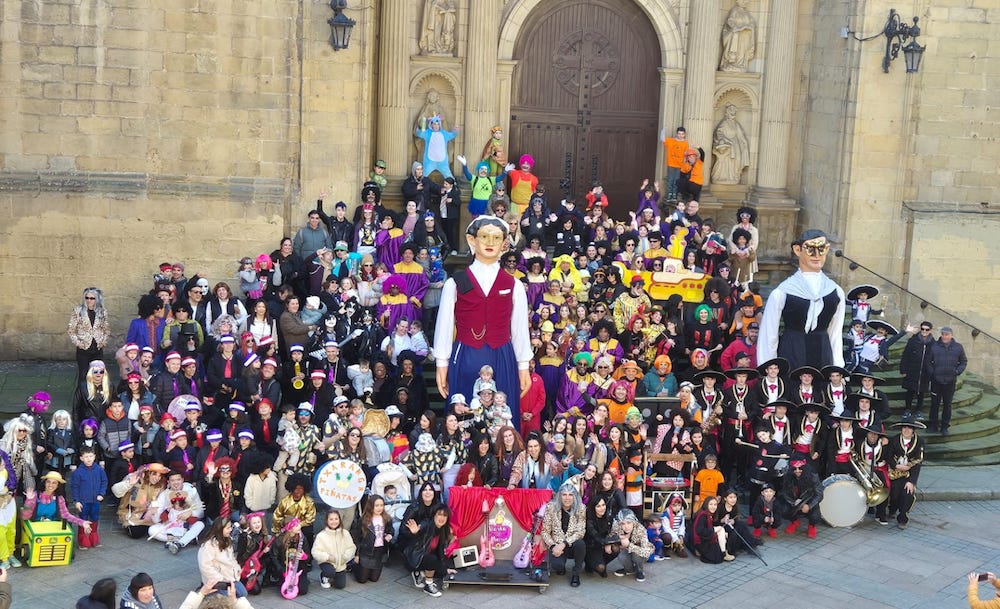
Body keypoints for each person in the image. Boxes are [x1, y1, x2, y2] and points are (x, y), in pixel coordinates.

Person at [434, 216, 532, 425]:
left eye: (496, 238)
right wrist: (442, 362)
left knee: (502, 420)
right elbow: (444, 325)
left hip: (502, 356)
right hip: (465, 354)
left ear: (504, 243)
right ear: (472, 240)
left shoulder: (514, 285)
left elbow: (520, 328)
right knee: (464, 418)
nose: (490, 242)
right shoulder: (455, 283)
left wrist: (523, 364)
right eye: (484, 236)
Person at [758, 229, 845, 371]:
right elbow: (769, 333)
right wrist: (768, 367)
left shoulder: (835, 292)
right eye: (810, 249)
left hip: (823, 355)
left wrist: (838, 368)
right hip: (791, 352)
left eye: (821, 249)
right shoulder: (782, 292)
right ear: (798, 250)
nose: (816, 255)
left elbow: (835, 333)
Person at [402, 504, 454, 598]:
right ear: (434, 515)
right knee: (432, 560)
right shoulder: (427, 524)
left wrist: (445, 568)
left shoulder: (443, 530)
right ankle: (428, 585)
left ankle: (420, 572)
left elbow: (440, 551)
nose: (441, 518)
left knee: (442, 572)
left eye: (444, 515)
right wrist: (415, 532)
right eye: (439, 514)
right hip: (413, 559)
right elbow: (419, 530)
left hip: (426, 557)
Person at [541, 483, 586, 587]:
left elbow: (580, 532)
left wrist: (564, 543)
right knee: (557, 566)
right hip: (557, 544)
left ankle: (576, 574)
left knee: (581, 544)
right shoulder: (551, 507)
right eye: (564, 494)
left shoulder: (581, 508)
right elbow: (545, 531)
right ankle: (561, 566)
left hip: (572, 544)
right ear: (559, 496)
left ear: (574, 496)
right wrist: (553, 546)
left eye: (570, 495)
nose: (567, 498)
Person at [925, 326, 968, 435]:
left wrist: (957, 371)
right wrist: (932, 373)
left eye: (947, 334)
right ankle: (933, 425)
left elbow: (963, 361)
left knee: (947, 405)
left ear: (951, 335)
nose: (945, 337)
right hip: (936, 381)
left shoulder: (958, 347)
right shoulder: (934, 346)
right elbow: (928, 362)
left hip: (950, 381)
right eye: (943, 334)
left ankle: (944, 427)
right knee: (934, 404)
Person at [886, 418, 926, 530]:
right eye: (904, 427)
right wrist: (896, 466)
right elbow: (888, 456)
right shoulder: (894, 440)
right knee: (894, 493)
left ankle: (903, 518)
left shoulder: (920, 442)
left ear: (913, 430)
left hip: (909, 474)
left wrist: (911, 481)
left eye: (909, 428)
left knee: (907, 493)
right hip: (895, 472)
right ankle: (892, 510)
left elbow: (918, 463)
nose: (906, 430)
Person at [197, 518, 247, 598]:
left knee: (243, 593)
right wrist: (219, 578)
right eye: (228, 528)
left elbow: (232, 558)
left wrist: (237, 568)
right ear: (220, 529)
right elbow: (205, 566)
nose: (230, 530)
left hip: (229, 577)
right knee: (229, 597)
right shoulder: (209, 545)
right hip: (218, 579)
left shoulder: (227, 541)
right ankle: (210, 591)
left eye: (230, 527)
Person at [69, 287, 110, 380]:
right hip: (83, 348)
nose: (89, 300)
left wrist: (103, 341)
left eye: (92, 298)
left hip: (97, 348)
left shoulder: (102, 312)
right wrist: (78, 343)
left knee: (97, 374)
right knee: (83, 375)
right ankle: (82, 390)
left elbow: (106, 329)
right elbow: (71, 330)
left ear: (97, 299)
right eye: (87, 298)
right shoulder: (78, 311)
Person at [776, 458, 823, 539]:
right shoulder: (788, 477)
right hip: (794, 501)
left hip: (808, 501)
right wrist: (793, 502)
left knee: (815, 515)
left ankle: (812, 526)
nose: (797, 471)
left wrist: (809, 505)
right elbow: (784, 493)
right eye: (795, 469)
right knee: (783, 509)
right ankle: (794, 522)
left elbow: (819, 494)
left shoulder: (813, 477)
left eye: (800, 468)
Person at [899, 321, 936, 420]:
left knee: (921, 392)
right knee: (910, 391)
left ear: (930, 330)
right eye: (922, 329)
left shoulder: (933, 343)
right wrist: (903, 369)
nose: (924, 331)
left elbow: (934, 359)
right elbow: (905, 355)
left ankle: (918, 410)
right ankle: (907, 409)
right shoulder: (913, 340)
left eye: (927, 329)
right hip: (912, 369)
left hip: (925, 371)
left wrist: (932, 372)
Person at [312, 509, 356, 590]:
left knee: (340, 585)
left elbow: (352, 547)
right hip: (327, 562)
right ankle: (324, 576)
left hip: (341, 562)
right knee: (330, 571)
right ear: (327, 520)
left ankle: (334, 575)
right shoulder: (321, 536)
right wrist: (328, 557)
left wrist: (345, 557)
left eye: (336, 519)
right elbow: (315, 552)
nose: (334, 521)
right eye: (331, 519)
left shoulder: (345, 533)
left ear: (339, 520)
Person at [611, 509, 653, 581]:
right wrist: (615, 540)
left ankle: (639, 570)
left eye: (629, 523)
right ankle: (629, 570)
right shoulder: (617, 526)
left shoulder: (640, 529)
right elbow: (611, 535)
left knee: (636, 555)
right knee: (621, 556)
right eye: (623, 523)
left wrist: (629, 545)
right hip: (626, 550)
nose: (626, 526)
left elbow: (646, 552)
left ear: (633, 521)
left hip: (640, 552)